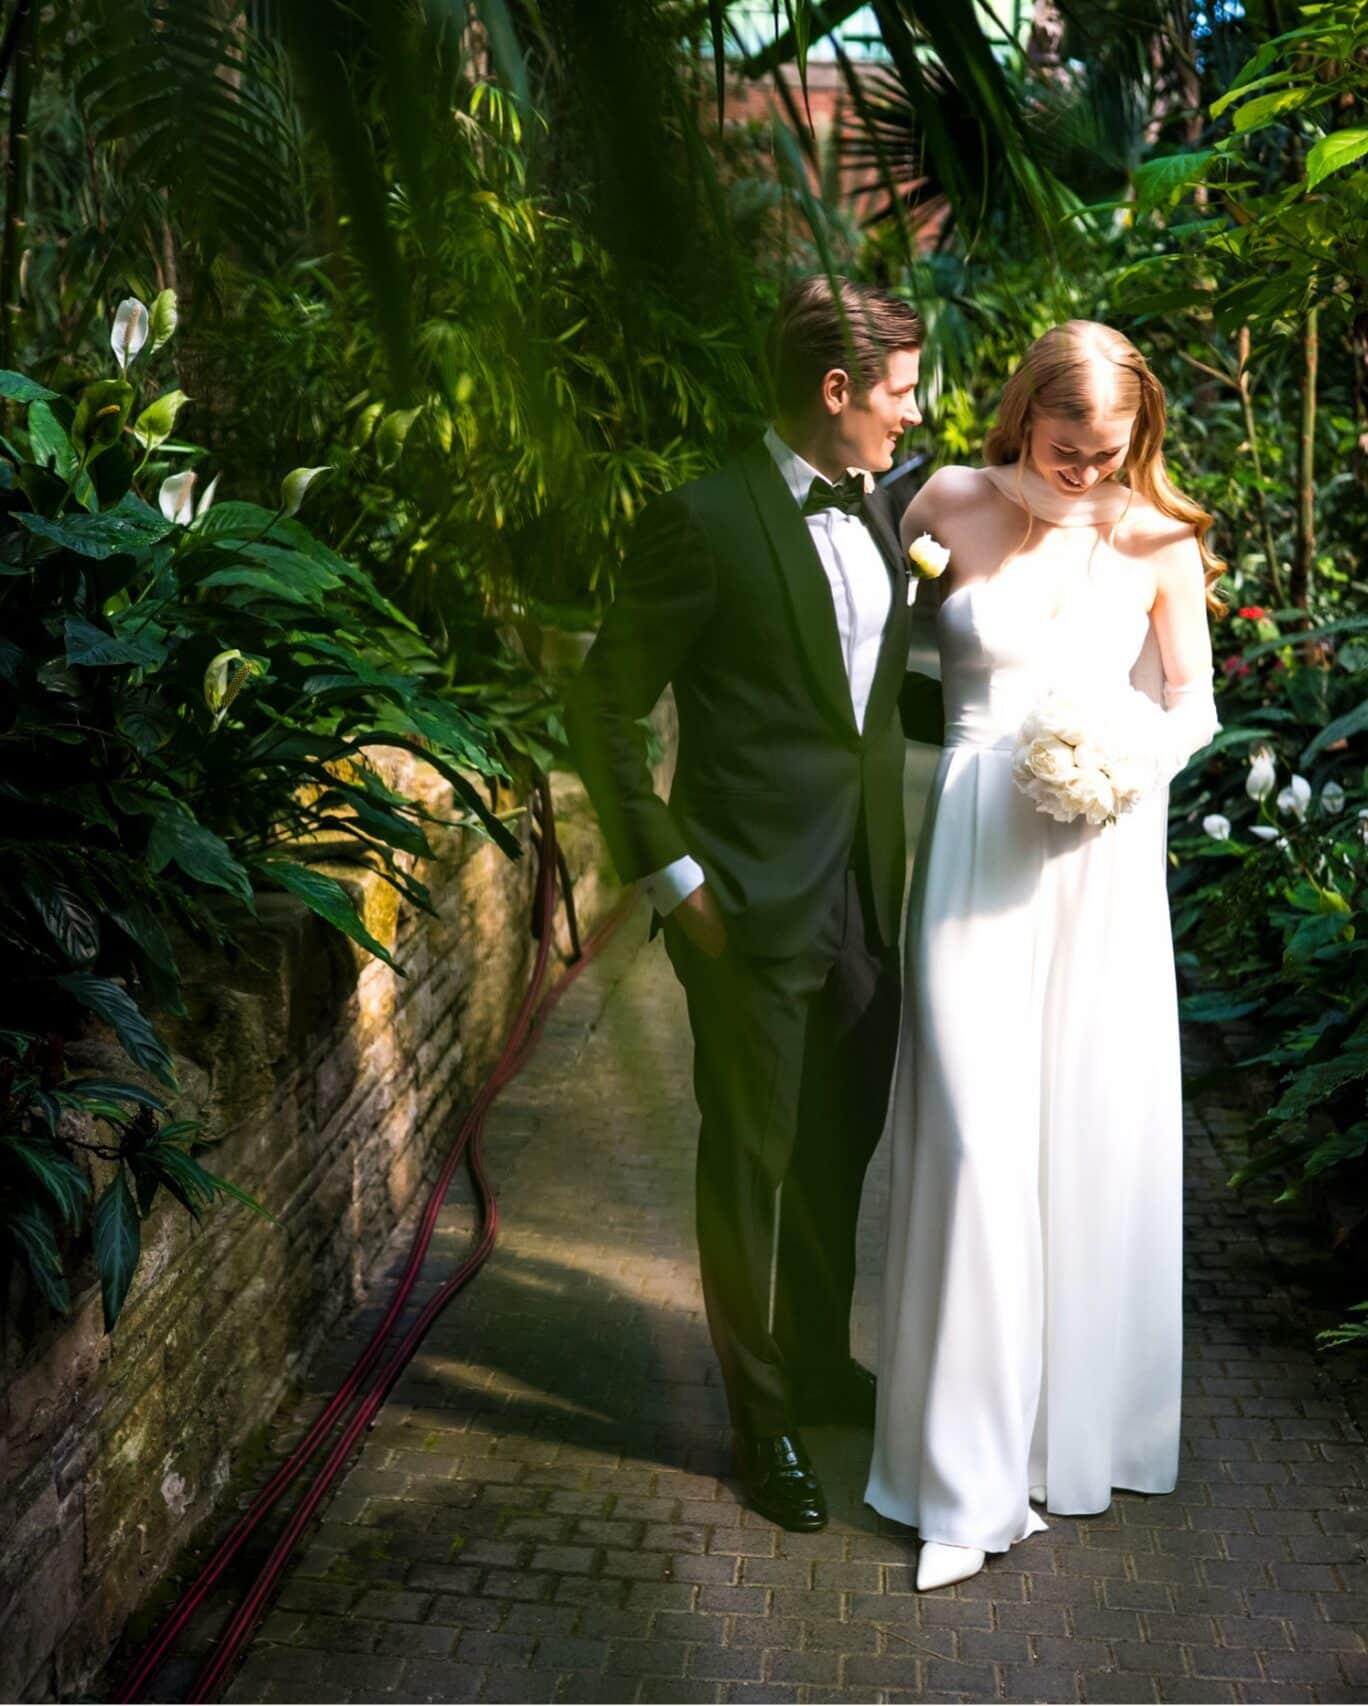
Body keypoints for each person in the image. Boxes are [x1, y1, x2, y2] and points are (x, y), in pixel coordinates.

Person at [562, 276, 945, 1532]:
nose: (911, 411)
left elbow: (867, 704)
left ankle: (821, 1359)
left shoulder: (888, 512)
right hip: (744, 902)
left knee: (842, 1147)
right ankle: (759, 1416)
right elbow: (603, 709)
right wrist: (674, 880)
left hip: (864, 892)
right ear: (835, 392)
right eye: (898, 391)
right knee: (752, 1162)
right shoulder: (703, 519)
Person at [862, 319, 1219, 1591]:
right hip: (968, 854)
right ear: (1026, 418)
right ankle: (962, 1482)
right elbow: (879, 658)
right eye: (1068, 449)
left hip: (1098, 865)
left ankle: (1067, 1428)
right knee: (968, 1140)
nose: (1084, 473)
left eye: (1108, 452)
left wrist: (1127, 762)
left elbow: (1194, 701)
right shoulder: (945, 500)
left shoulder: (1160, 536)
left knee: (1078, 1138)